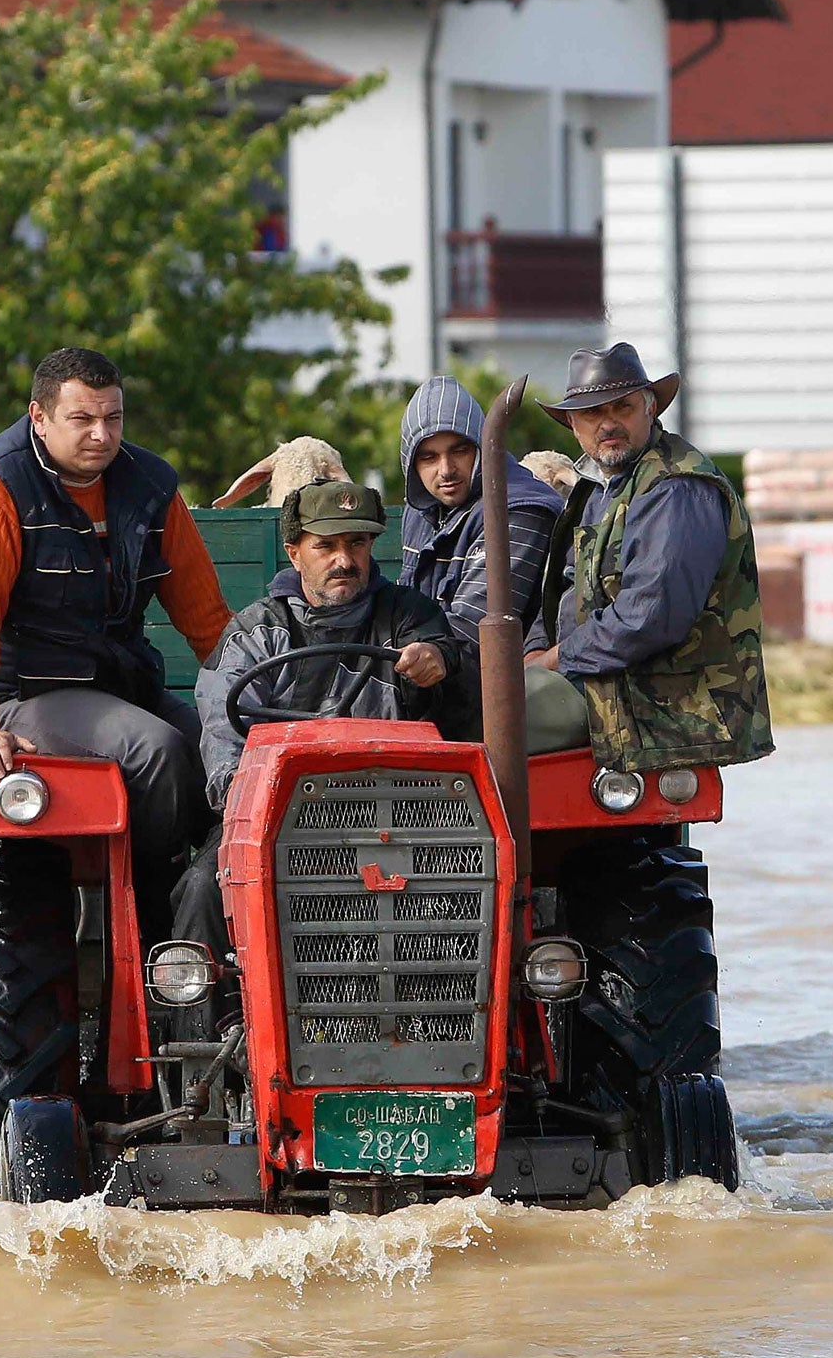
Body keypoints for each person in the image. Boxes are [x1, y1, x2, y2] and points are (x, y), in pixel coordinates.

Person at [0, 346, 233, 926]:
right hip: (25, 694)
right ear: (39, 418)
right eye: (82, 419)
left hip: (118, 684)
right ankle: (156, 925)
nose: (101, 435)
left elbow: (208, 621)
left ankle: (223, 897)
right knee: (160, 752)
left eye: (113, 418)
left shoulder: (150, 487)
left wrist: (261, 716)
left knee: (238, 754)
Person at [173, 480, 476, 957]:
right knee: (201, 889)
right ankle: (209, 1019)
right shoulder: (257, 631)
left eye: (356, 543)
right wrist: (245, 806)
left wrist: (434, 661)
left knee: (467, 882)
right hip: (277, 814)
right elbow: (222, 724)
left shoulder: (407, 615)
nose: (344, 560)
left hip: (396, 815)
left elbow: (443, 661)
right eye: (327, 546)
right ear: (294, 554)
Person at [524, 342, 775, 772]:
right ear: (572, 423)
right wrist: (532, 651)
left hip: (669, 710)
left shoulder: (678, 488)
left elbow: (650, 618)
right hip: (610, 687)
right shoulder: (602, 487)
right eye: (591, 414)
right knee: (469, 702)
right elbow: (568, 587)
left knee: (492, 722)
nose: (607, 424)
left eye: (621, 408)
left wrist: (553, 660)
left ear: (650, 408)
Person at [397, 375, 562, 647]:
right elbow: (401, 610)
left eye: (459, 451)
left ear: (482, 446)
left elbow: (470, 632)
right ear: (411, 463)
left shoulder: (519, 509)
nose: (446, 470)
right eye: (429, 457)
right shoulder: (421, 507)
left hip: (508, 678)